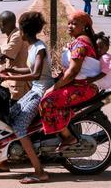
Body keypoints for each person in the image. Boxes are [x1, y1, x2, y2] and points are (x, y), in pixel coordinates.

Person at [0, 12, 54, 184]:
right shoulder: (33, 47)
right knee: (11, 115)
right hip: (35, 90)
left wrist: (10, 77)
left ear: (24, 32)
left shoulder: (39, 48)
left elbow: (35, 74)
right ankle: (5, 159)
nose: (19, 32)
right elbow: (28, 69)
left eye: (20, 30)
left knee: (19, 127)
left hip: (42, 92)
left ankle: (40, 172)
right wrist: (10, 71)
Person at [39, 10, 102, 151]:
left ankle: (68, 137)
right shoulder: (79, 41)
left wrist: (55, 87)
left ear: (84, 26)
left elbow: (73, 72)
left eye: (74, 23)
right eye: (69, 23)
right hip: (78, 85)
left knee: (47, 102)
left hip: (83, 88)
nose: (70, 26)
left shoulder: (80, 44)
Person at [0, 10, 31, 101]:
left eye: (0, 23)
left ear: (4, 24)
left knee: (15, 108)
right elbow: (0, 50)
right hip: (11, 77)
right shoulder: (11, 35)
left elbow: (4, 54)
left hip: (18, 81)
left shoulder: (17, 36)